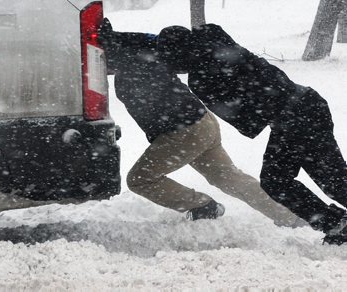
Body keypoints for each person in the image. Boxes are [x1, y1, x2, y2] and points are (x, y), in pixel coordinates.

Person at [98, 19, 306, 226]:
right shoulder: (143, 49)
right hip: (202, 124)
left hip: (184, 131)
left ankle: (202, 205)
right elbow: (142, 40)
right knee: (230, 179)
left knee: (140, 179)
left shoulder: (134, 62)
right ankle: (292, 216)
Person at [155, 24, 347, 244]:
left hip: (296, 117)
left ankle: (336, 224)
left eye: (170, 61)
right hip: (304, 106)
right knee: (282, 180)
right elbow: (208, 31)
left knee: (329, 180)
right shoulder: (212, 36)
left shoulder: (200, 80)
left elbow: (249, 124)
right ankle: (336, 224)